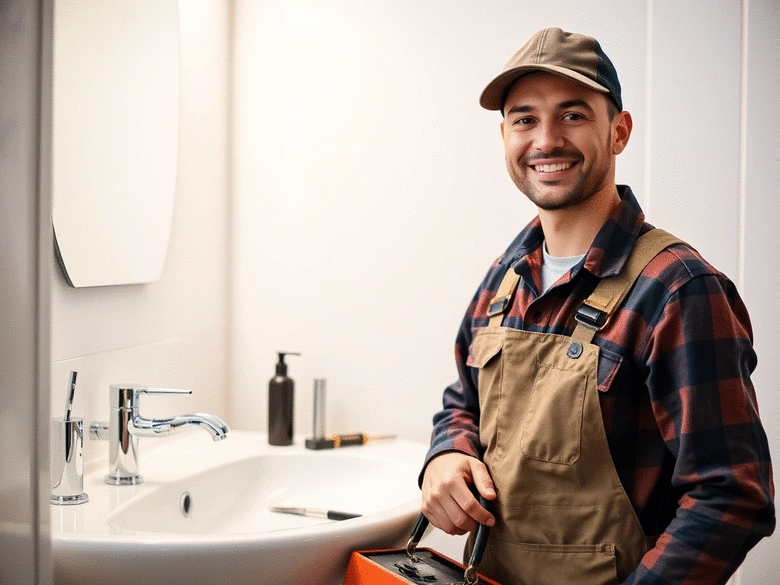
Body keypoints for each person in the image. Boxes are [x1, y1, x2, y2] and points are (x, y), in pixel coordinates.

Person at [420, 27, 775, 585]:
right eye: (524, 119)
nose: (546, 140)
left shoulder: (678, 288)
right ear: (505, 135)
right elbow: (462, 402)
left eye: (573, 115)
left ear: (619, 131)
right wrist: (445, 454)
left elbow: (731, 495)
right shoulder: (503, 278)